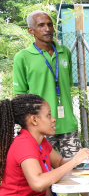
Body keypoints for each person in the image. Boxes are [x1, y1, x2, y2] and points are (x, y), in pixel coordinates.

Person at [13, 11, 80, 158]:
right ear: (31, 30)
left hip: (68, 125)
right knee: (46, 173)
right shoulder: (22, 57)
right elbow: (20, 97)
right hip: (40, 128)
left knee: (76, 170)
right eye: (41, 25)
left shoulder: (64, 52)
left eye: (50, 25)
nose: (47, 29)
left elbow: (66, 85)